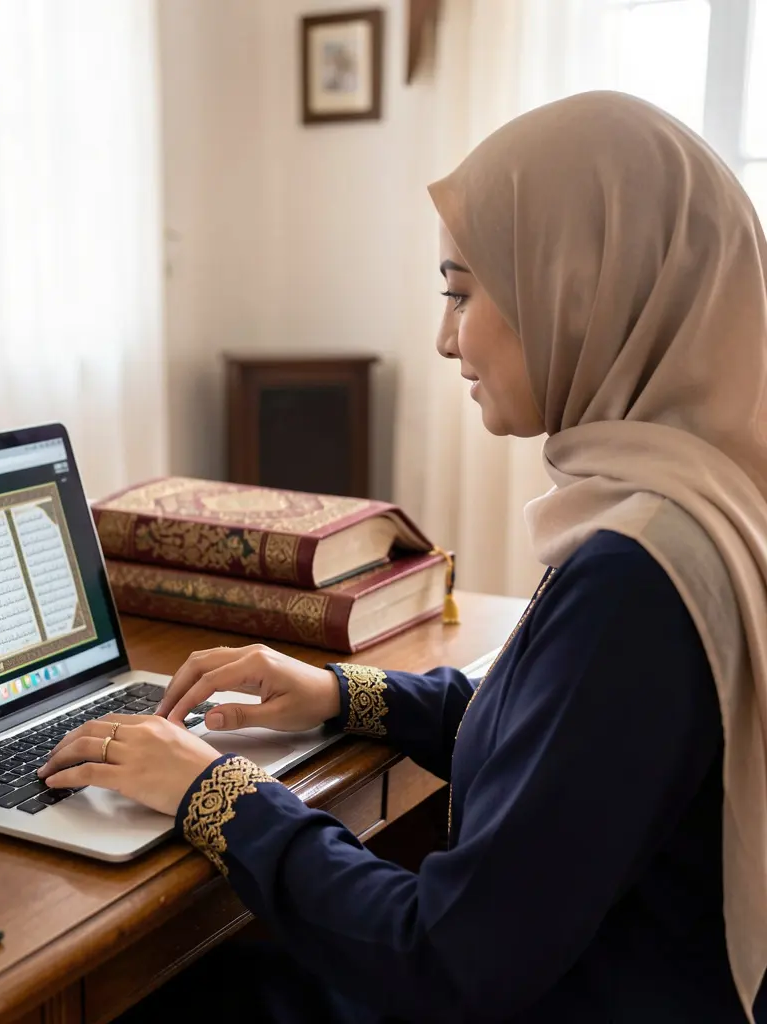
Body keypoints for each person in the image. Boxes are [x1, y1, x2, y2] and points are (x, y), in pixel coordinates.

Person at [38, 91, 767, 1022]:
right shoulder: (703, 503)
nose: (444, 336)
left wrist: (212, 790)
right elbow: (556, 738)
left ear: (579, 286)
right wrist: (339, 692)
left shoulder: (641, 574)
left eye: (461, 290)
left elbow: (445, 958)